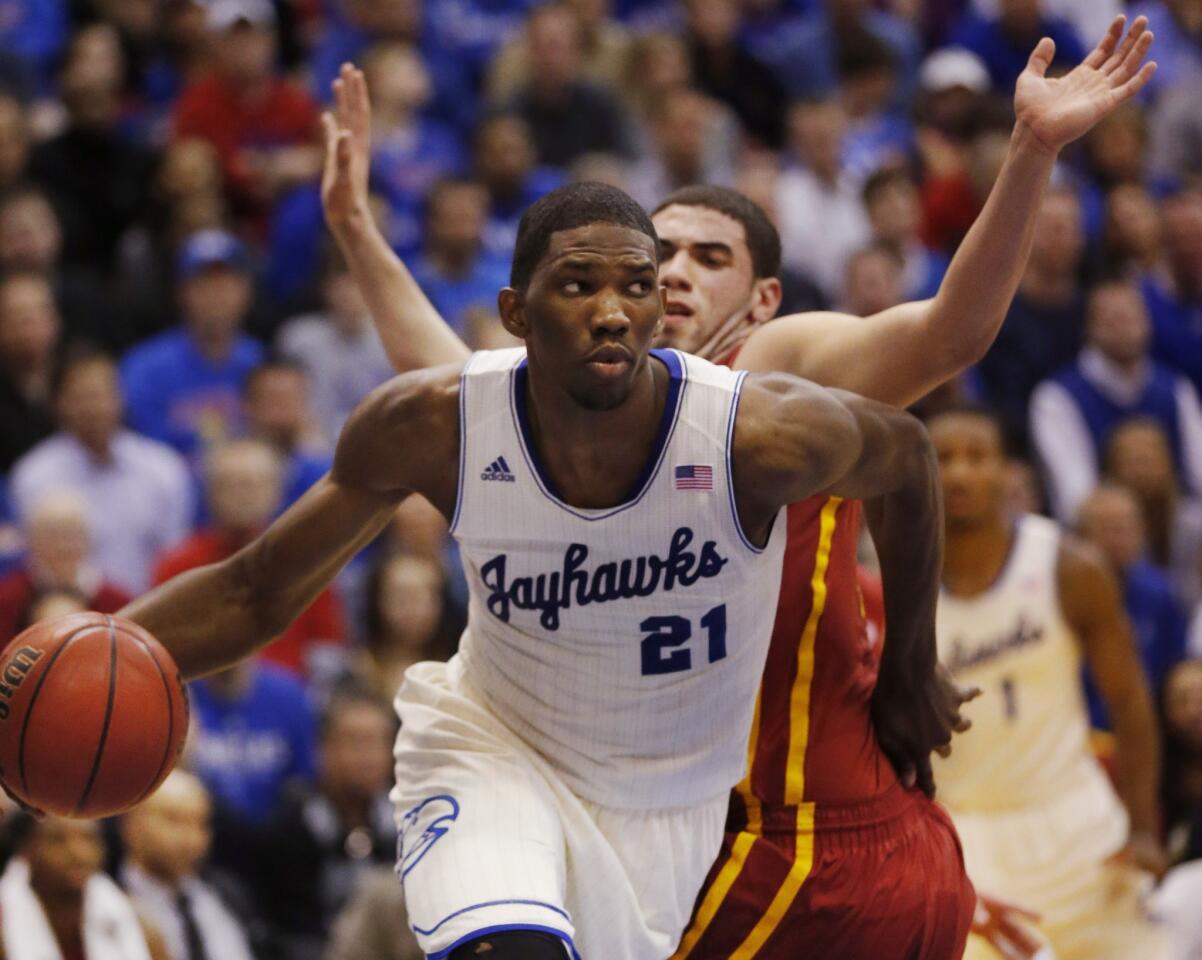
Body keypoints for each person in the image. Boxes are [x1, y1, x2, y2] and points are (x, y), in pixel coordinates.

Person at [310, 18, 1156, 959]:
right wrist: (355, 228)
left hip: (801, 846)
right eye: (656, 253)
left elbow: (950, 334)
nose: (671, 273)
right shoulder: (570, 406)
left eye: (708, 259)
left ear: (761, 302)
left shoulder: (772, 372)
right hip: (761, 850)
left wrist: (1031, 152)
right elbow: (443, 388)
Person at [123, 175, 950, 960]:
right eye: (578, 285)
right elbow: (254, 588)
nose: (611, 312)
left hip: (668, 806)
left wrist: (910, 667)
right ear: (516, 312)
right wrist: (91, 647)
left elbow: (909, 457)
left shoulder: (750, 435)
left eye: (634, 287)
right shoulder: (435, 425)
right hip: (496, 749)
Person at [930, 406, 1169, 960]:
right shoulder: (890, 588)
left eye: (977, 457)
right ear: (921, 470)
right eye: (944, 459)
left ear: (1007, 472)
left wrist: (1141, 826)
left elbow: (1131, 703)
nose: (961, 473)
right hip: (965, 839)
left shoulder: (1070, 568)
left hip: (1076, 823)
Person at [153, 438, 345, 679]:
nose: (242, 495)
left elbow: (327, 646)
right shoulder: (178, 563)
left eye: (252, 485)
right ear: (211, 494)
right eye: (230, 485)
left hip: (290, 694)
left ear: (276, 492)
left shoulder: (307, 560)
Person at [10, 348, 193, 596]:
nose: (94, 407)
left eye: (103, 394)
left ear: (121, 398)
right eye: (81, 397)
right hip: (65, 613)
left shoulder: (163, 468)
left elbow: (176, 558)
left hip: (150, 616)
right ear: (58, 403)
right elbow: (34, 567)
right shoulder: (34, 476)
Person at [1030, 280, 1202, 524]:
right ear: (1089, 328)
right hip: (1097, 536)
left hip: (1170, 535)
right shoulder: (1057, 398)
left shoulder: (1176, 389)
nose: (1124, 327)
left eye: (1132, 317)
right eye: (1112, 319)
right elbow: (1075, 500)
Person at [257, 691, 398, 959]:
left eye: (378, 743)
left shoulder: (409, 824)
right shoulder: (289, 829)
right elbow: (283, 929)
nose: (368, 757)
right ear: (323, 750)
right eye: (356, 743)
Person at [119, 229, 264, 458]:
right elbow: (141, 453)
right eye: (204, 284)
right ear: (182, 293)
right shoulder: (144, 368)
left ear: (246, 291)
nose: (216, 295)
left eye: (225, 283)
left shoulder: (262, 362)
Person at [1076, 483, 1188, 730]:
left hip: (1154, 728)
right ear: (1083, 537)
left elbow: (1177, 671)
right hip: (1084, 730)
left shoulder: (1161, 593)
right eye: (1108, 529)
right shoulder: (1069, 599)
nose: (1118, 538)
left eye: (1126, 528)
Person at [120, 770, 256, 960]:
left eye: (201, 823)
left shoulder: (228, 895)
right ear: (131, 823)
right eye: (174, 820)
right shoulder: (108, 904)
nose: (191, 838)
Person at [0, 815, 162, 960]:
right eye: (58, 839)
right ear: (25, 850)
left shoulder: (140, 926)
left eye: (89, 838)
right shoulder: (4, 926)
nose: (78, 853)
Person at [0, 490, 129, 642]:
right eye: (52, 535)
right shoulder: (7, 600)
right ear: (32, 541)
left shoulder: (117, 602)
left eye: (72, 535)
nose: (63, 546)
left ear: (89, 539)